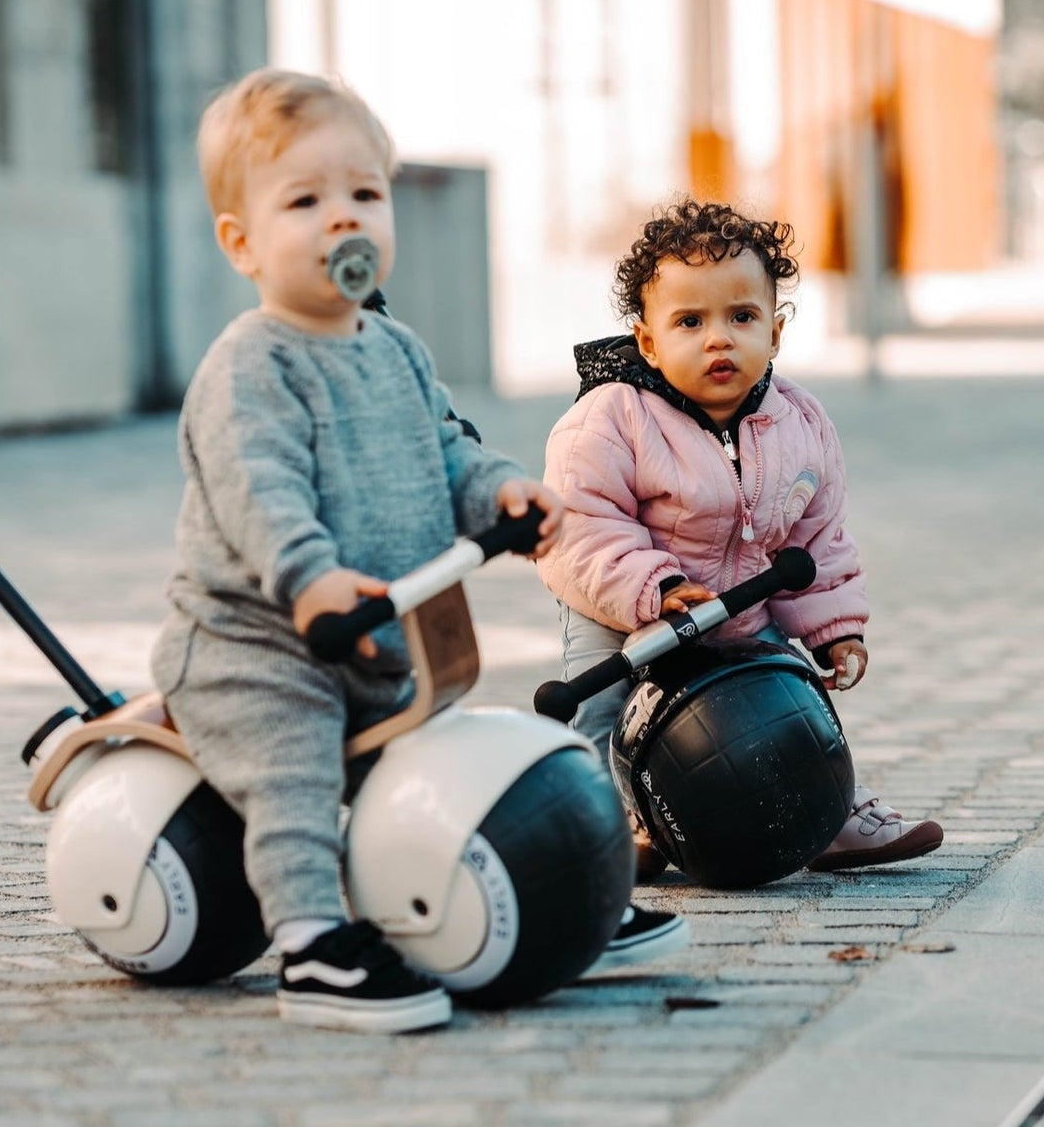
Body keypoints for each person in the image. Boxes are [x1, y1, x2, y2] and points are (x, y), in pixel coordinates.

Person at [150, 68, 687, 1036]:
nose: (342, 221)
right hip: (260, 648)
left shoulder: (392, 349)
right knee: (296, 768)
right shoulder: (250, 367)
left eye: (364, 194)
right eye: (305, 201)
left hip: (379, 633)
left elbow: (445, 448)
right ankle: (313, 944)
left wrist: (499, 492)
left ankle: (554, 901)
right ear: (241, 242)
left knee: (438, 748)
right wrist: (308, 582)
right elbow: (260, 494)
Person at [536, 198, 943, 882]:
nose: (718, 339)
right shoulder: (611, 418)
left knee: (796, 697)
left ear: (776, 335)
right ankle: (606, 822)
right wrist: (656, 589)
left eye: (742, 317)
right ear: (648, 341)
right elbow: (580, 527)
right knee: (599, 709)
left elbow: (818, 540)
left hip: (743, 606)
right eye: (690, 322)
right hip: (628, 607)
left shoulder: (801, 423)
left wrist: (833, 629)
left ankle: (832, 809)